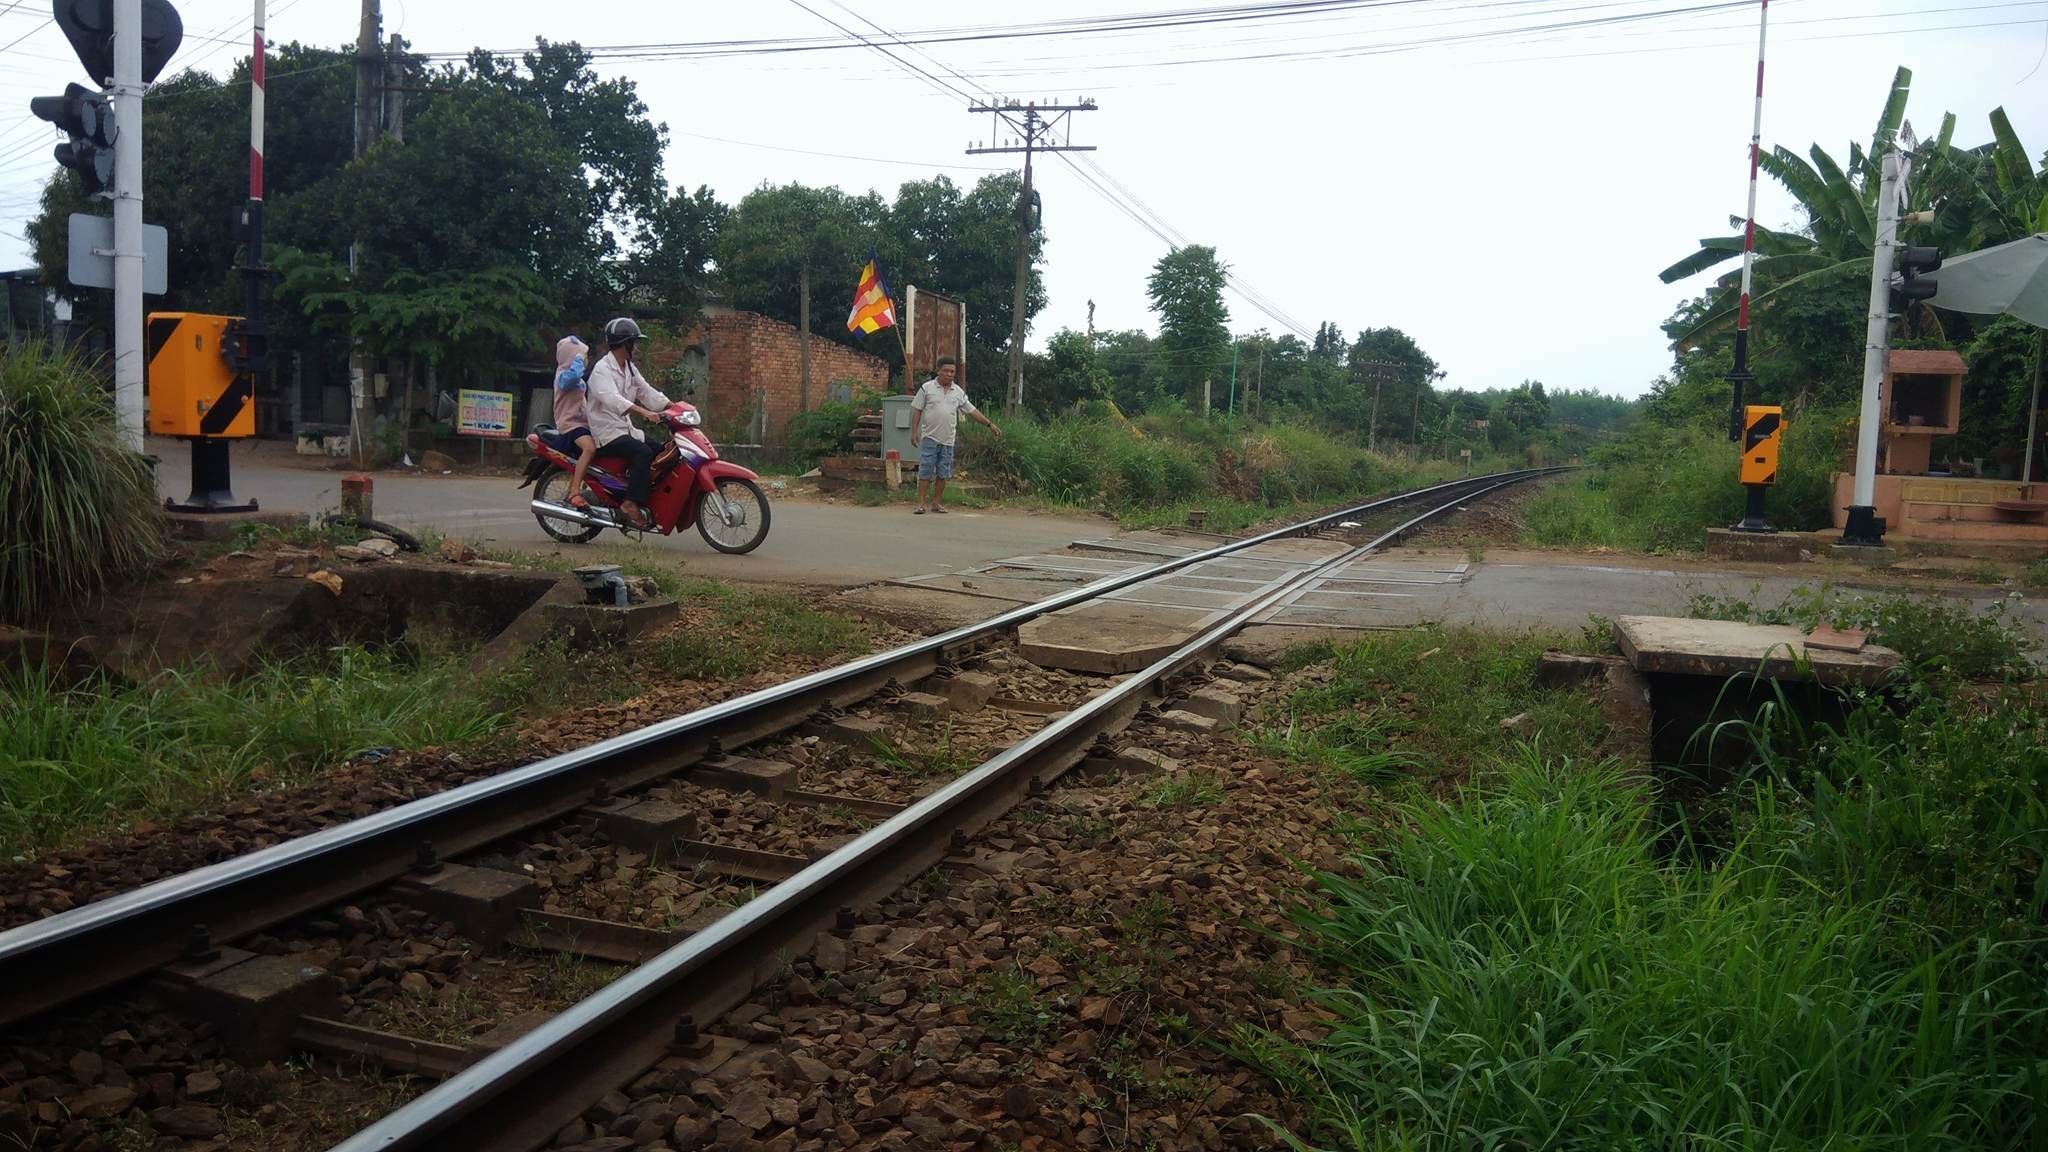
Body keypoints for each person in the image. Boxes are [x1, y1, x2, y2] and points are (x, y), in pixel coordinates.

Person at [586, 317, 672, 529]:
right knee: (642, 452)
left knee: (661, 450)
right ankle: (630, 503)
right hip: (606, 432)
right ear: (625, 343)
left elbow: (646, 391)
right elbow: (614, 400)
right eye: (634, 342)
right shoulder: (601, 370)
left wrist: (674, 406)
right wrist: (643, 412)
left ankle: (639, 490)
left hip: (625, 429)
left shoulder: (629, 368)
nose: (637, 347)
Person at [909, 356, 1001, 515]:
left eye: (952, 372)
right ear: (938, 371)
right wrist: (914, 432)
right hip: (930, 437)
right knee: (925, 471)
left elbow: (972, 411)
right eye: (946, 371)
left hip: (948, 440)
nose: (949, 374)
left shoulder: (958, 392)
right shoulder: (926, 388)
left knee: (943, 473)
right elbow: (917, 410)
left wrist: (989, 424)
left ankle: (936, 503)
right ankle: (921, 504)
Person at [550, 335, 597, 509]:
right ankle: (575, 491)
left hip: (582, 423)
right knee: (589, 448)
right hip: (570, 425)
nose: (586, 360)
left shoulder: (572, 376)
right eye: (583, 356)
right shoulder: (563, 376)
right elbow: (574, 375)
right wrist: (579, 357)